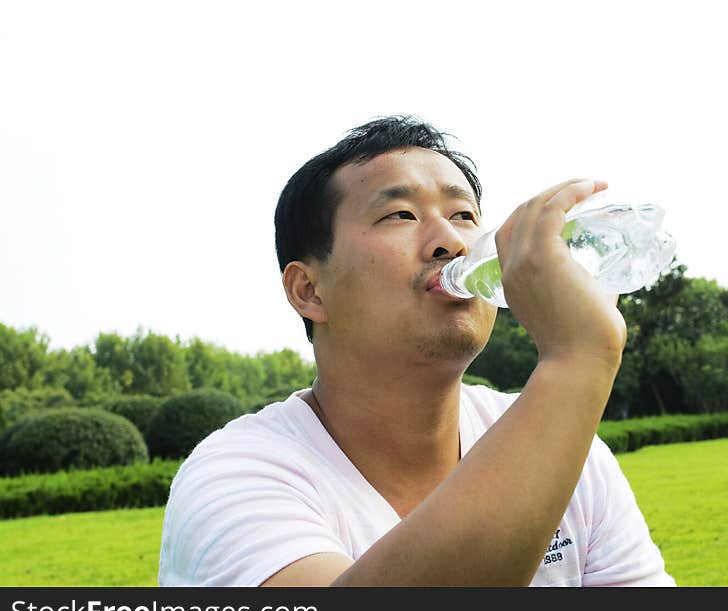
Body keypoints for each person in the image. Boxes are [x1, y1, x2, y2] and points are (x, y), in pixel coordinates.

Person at [158, 116, 675, 587]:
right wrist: (574, 363)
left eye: (464, 215)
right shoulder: (238, 475)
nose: (450, 241)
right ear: (309, 291)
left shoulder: (574, 457)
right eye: (401, 214)